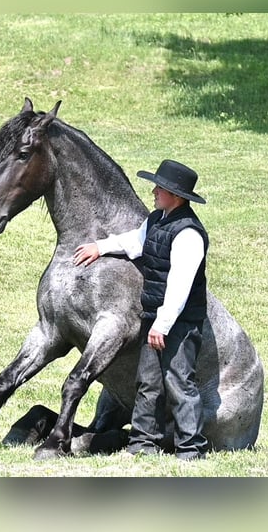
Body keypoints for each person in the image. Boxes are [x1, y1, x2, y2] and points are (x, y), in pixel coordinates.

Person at [73, 159, 210, 460]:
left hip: (178, 322)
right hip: (154, 318)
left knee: (178, 381)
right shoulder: (158, 220)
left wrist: (163, 324)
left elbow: (180, 284)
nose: (153, 191)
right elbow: (135, 243)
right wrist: (101, 247)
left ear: (176, 194)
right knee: (147, 382)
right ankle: (142, 444)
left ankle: (191, 449)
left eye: (159, 188)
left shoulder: (189, 234)